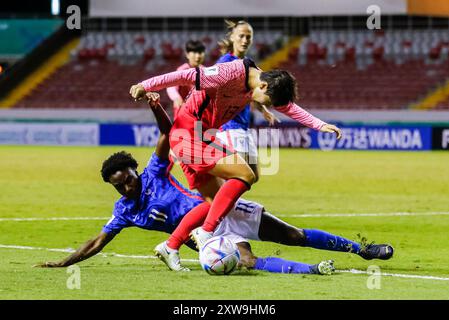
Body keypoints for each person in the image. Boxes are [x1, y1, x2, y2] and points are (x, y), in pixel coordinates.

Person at [34, 94, 393, 275]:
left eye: (127, 178)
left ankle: (361, 250)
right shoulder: (124, 211)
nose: (126, 187)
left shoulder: (155, 173)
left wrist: (155, 104)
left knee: (294, 236)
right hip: (206, 238)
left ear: (134, 172)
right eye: (119, 185)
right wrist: (64, 263)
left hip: (222, 209)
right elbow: (99, 240)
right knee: (248, 263)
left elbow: (166, 132)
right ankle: (315, 272)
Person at [129, 54, 343, 253]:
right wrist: (144, 85)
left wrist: (320, 124)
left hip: (202, 136)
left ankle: (170, 246)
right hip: (189, 134)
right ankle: (205, 233)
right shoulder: (230, 73)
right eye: (265, 101)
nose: (261, 104)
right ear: (263, 85)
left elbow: (289, 108)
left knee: (216, 203)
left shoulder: (259, 84)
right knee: (246, 174)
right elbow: (185, 76)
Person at [214, 20, 279, 182]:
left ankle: (221, 200)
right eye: (241, 36)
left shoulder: (248, 64)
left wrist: (263, 110)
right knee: (240, 176)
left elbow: (252, 90)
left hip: (243, 127)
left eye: (248, 37)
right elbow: (214, 89)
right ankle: (220, 204)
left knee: (254, 176)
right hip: (229, 127)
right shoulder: (225, 62)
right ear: (233, 37)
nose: (244, 40)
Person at [166, 40, 206, 120]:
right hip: (183, 114)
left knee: (198, 132)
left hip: (199, 116)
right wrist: (176, 97)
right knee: (182, 132)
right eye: (194, 52)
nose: (198, 56)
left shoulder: (205, 71)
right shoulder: (182, 70)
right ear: (187, 54)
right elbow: (171, 87)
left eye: (200, 52)